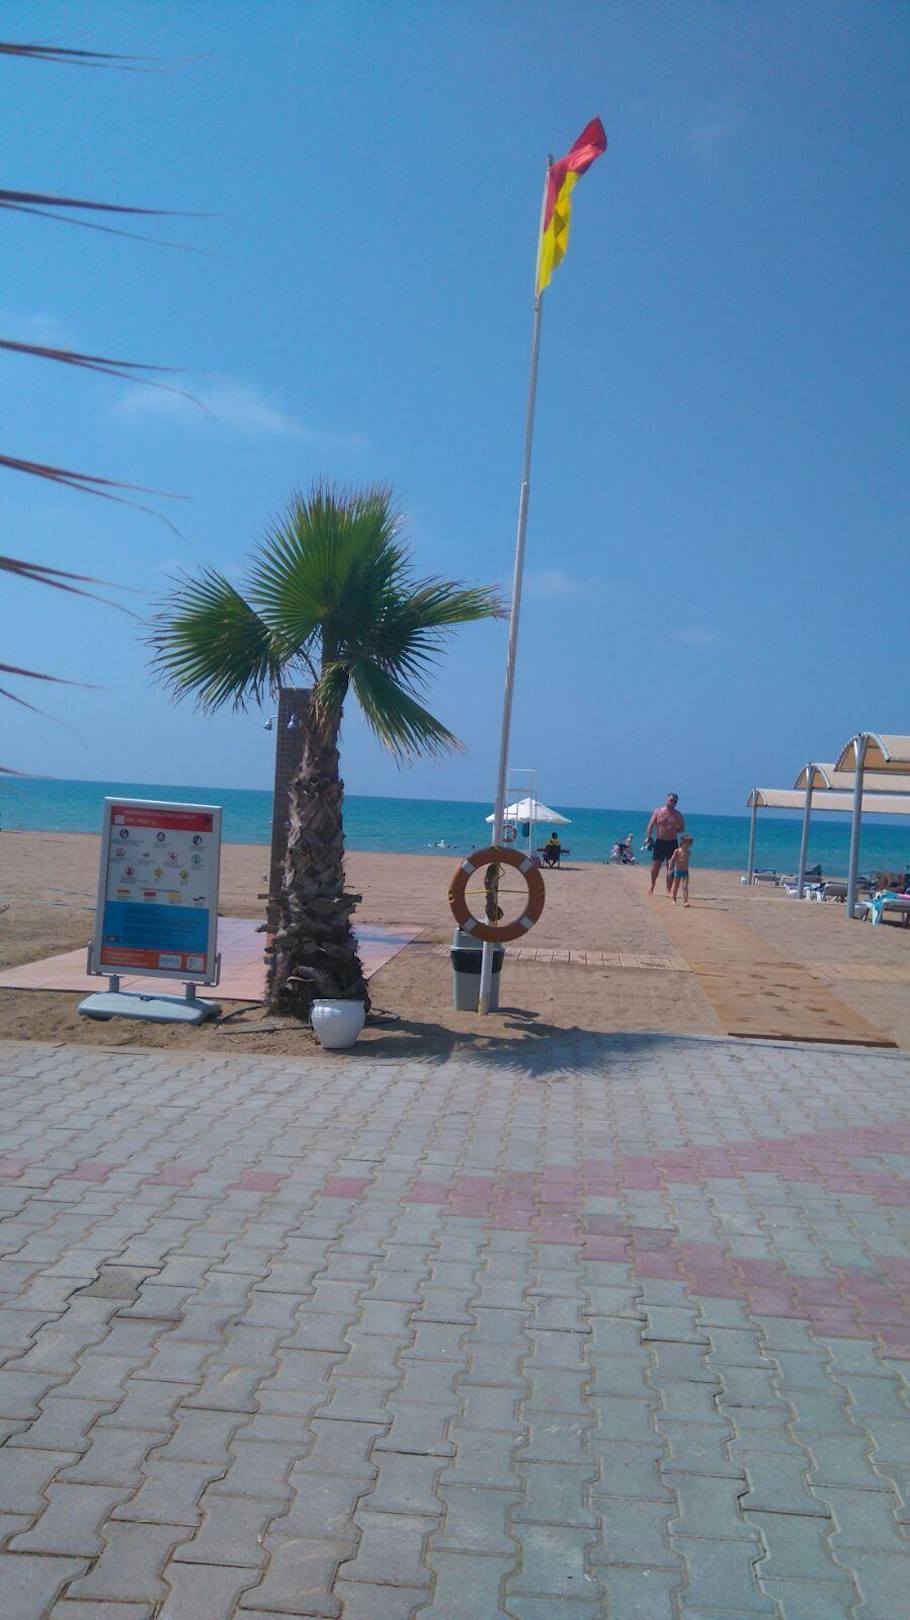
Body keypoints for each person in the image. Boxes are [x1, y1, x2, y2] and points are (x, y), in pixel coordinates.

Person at [645, 793, 685, 895]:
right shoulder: (658, 811)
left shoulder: (678, 814)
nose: (673, 802)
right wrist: (648, 837)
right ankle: (652, 884)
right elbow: (651, 825)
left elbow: (682, 828)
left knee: (670, 868)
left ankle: (668, 890)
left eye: (675, 801)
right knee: (655, 867)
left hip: (672, 843)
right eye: (671, 800)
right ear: (666, 800)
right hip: (660, 842)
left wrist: (673, 830)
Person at [668, 835, 694, 906]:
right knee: (676, 886)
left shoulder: (689, 852)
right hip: (677, 871)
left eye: (690, 844)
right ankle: (674, 900)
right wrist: (670, 868)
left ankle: (685, 902)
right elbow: (672, 860)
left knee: (685, 886)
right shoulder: (677, 851)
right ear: (683, 843)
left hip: (685, 872)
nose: (689, 846)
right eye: (688, 844)